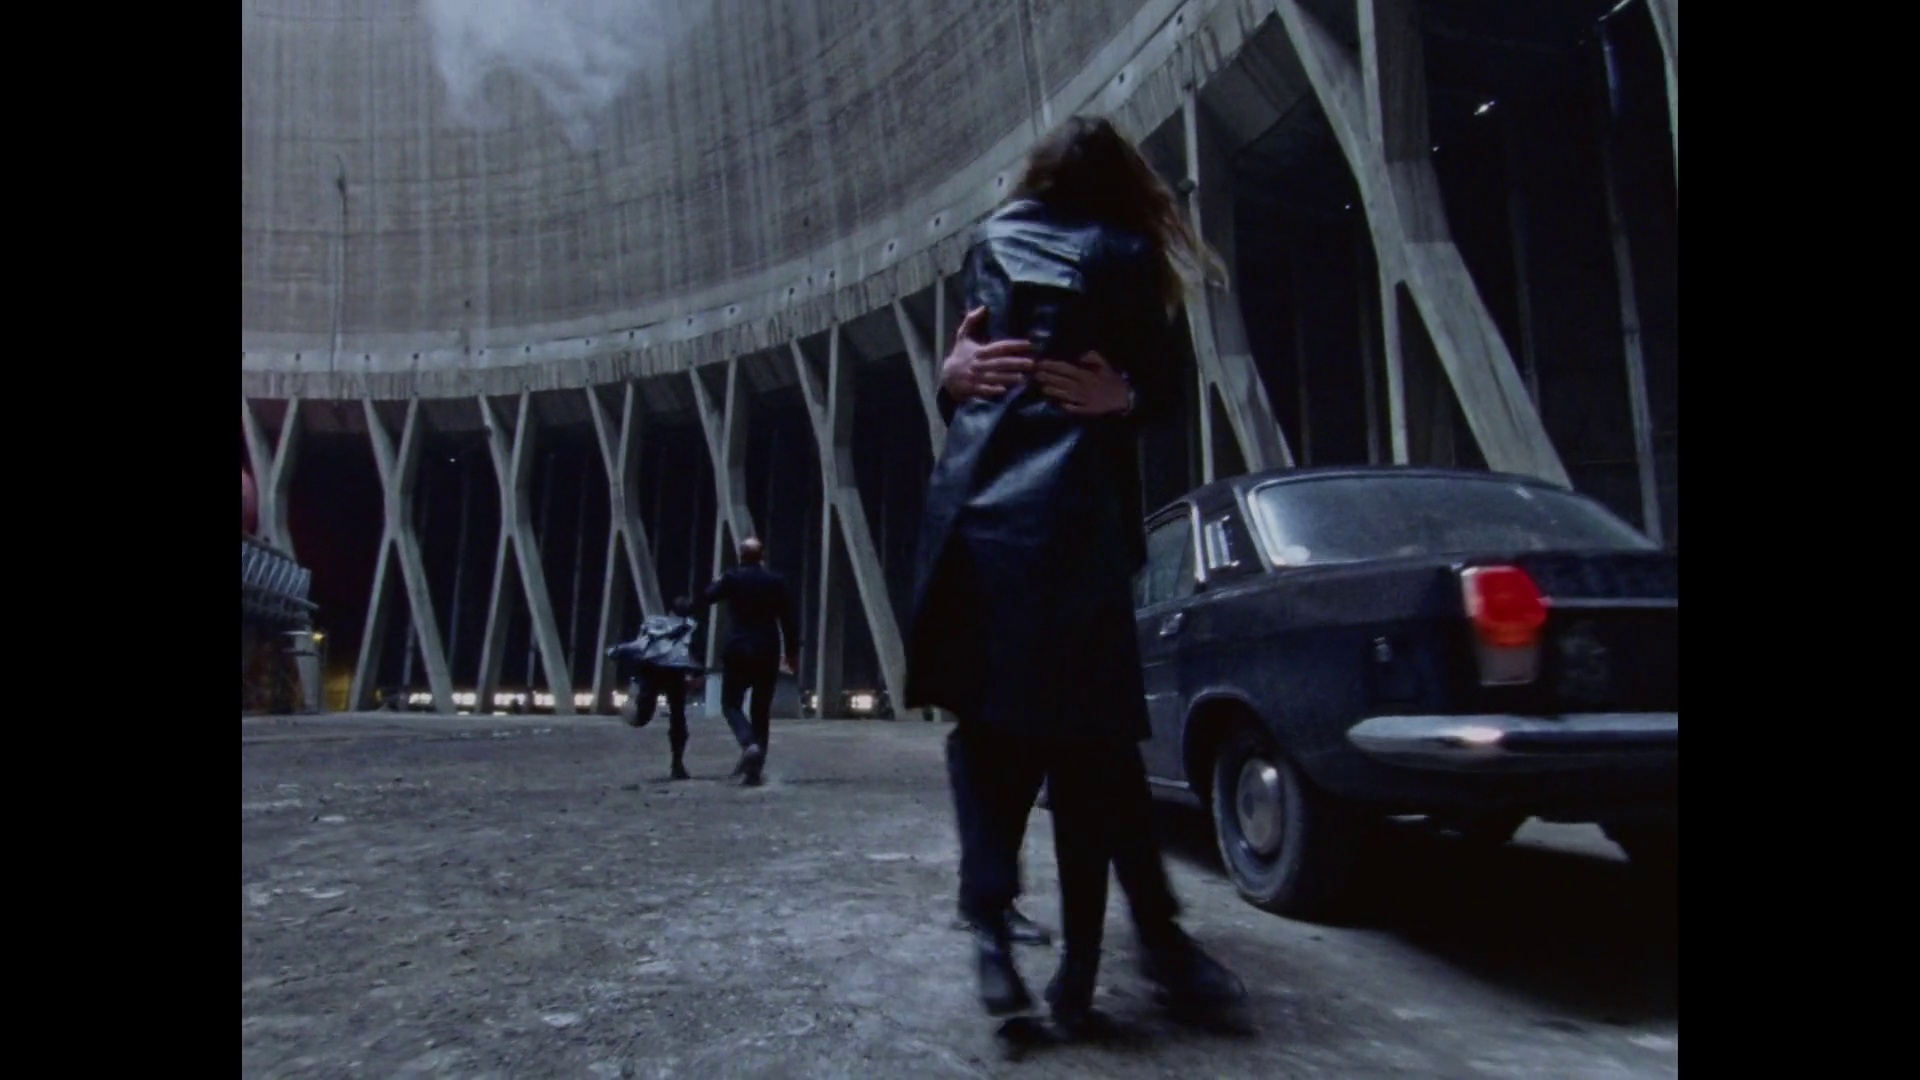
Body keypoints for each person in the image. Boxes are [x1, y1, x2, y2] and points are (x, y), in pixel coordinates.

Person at [905, 114, 1246, 1035]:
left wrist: (949, 379)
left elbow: (977, 377)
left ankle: (999, 934)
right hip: (1067, 528)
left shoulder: (993, 239)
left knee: (992, 738)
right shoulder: (1126, 252)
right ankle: (1121, 957)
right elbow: (1163, 388)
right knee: (1092, 745)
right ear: (1127, 184)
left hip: (975, 517)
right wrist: (1123, 396)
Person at [697, 537, 800, 787]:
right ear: (762, 556)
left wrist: (720, 580)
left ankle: (748, 742)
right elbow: (789, 619)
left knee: (730, 703)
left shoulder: (732, 578)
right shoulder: (776, 581)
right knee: (761, 709)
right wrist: (792, 652)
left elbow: (706, 597)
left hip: (739, 648)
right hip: (767, 649)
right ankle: (755, 768)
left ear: (741, 556)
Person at [606, 596, 705, 779]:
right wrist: (696, 672)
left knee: (648, 716)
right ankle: (677, 763)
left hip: (653, 669)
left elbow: (641, 644)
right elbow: (692, 654)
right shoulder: (691, 626)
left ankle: (677, 763)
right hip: (674, 671)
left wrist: (619, 650)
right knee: (677, 716)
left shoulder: (655, 623)